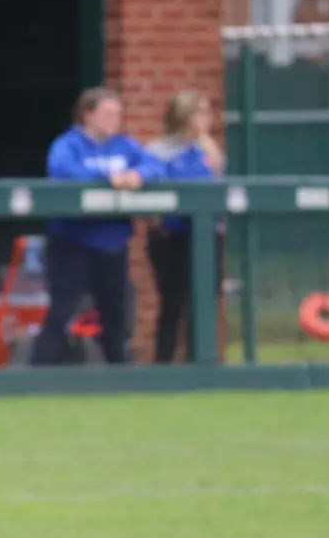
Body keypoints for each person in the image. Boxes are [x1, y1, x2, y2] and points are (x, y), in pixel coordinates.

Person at [33, 86, 163, 366]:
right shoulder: (68, 144)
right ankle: (37, 374)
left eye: (118, 114)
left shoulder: (125, 145)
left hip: (113, 244)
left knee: (116, 316)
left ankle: (119, 378)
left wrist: (138, 175)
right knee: (62, 311)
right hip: (72, 243)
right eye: (108, 113)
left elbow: (155, 167)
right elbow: (63, 170)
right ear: (88, 114)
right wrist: (109, 176)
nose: (115, 119)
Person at [144, 89, 224, 364]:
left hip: (206, 235)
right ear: (183, 116)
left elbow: (217, 185)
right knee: (173, 303)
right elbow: (153, 192)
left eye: (207, 111)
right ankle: (163, 364)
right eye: (199, 112)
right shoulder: (158, 150)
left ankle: (199, 361)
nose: (206, 118)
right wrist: (158, 223)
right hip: (172, 238)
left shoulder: (208, 148)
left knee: (204, 301)